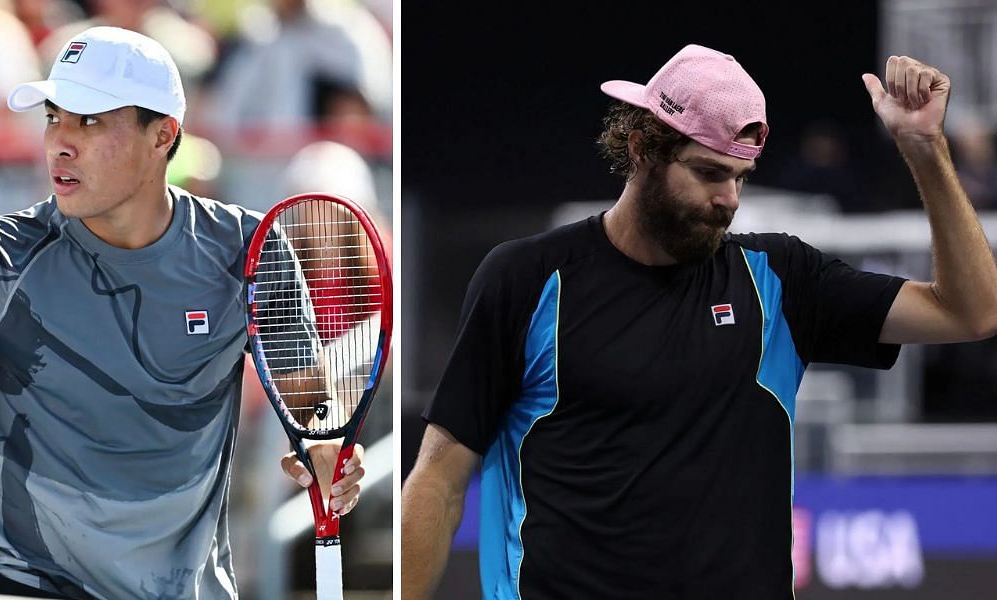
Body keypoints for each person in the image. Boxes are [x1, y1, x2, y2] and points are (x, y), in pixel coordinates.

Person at [401, 44, 997, 599]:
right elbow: (439, 479)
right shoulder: (525, 279)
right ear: (640, 148)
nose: (730, 199)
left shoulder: (780, 280)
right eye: (709, 173)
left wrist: (924, 147)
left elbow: (971, 312)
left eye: (739, 176)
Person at [0, 26, 365, 599]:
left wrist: (324, 454)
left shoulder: (251, 252)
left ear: (162, 136)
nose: (59, 143)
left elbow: (311, 409)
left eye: (89, 120)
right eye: (53, 117)